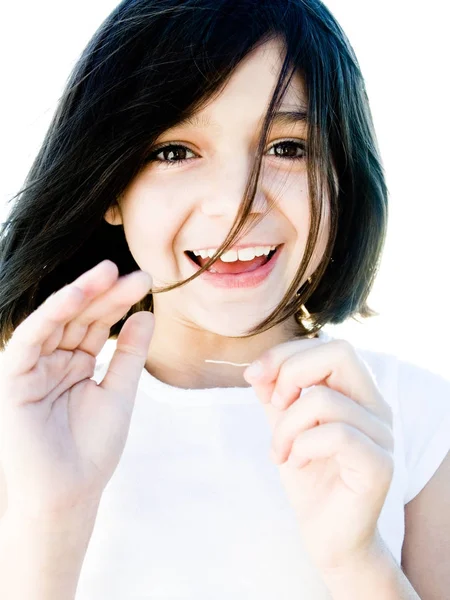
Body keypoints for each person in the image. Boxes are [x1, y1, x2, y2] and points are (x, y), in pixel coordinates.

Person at [0, 0, 448, 598]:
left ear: (339, 176)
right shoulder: (26, 418)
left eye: (286, 147)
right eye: (175, 151)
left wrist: (356, 560)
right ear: (108, 186)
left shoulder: (420, 417)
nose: (238, 202)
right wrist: (51, 520)